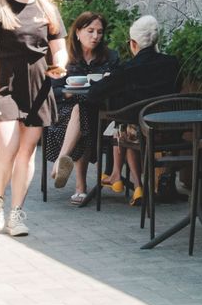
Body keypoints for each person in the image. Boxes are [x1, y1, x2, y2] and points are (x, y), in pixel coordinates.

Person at [0, 0, 66, 237]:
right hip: (3, 85)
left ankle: (16, 213)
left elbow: (59, 48)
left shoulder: (47, 10)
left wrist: (60, 66)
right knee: (8, 149)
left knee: (26, 152)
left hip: (37, 85)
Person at [75, 15, 182, 205]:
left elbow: (93, 94)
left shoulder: (128, 69)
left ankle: (120, 177)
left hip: (141, 134)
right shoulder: (173, 63)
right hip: (171, 132)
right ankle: (124, 178)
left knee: (122, 126)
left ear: (133, 43)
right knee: (126, 123)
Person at [48, 12, 117, 205]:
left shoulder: (110, 57)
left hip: (100, 111)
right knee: (80, 112)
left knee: (84, 112)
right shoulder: (64, 57)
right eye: (90, 31)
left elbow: (117, 84)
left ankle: (63, 161)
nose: (95, 36)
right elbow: (52, 91)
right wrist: (69, 92)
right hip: (64, 113)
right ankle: (79, 186)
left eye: (99, 32)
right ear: (78, 32)